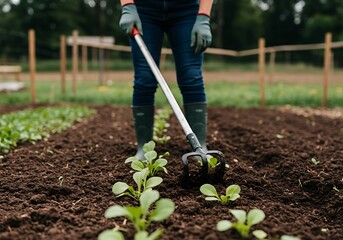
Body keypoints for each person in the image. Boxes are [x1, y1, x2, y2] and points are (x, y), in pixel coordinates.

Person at [119, 0, 213, 159]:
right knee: (145, 77)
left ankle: (200, 146)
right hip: (143, 9)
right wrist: (127, 5)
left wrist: (203, 16)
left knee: (191, 76)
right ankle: (144, 148)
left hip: (187, 9)